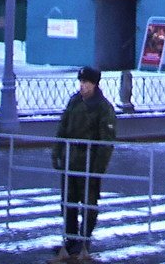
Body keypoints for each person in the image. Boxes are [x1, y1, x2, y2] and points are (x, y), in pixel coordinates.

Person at [50, 66, 116, 260]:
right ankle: (70, 240)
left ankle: (84, 241)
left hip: (88, 161)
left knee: (88, 203)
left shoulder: (103, 107)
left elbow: (106, 141)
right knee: (68, 203)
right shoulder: (75, 101)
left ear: (95, 84)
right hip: (71, 160)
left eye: (86, 83)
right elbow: (62, 128)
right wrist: (57, 152)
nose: (83, 86)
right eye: (81, 82)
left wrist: (98, 168)